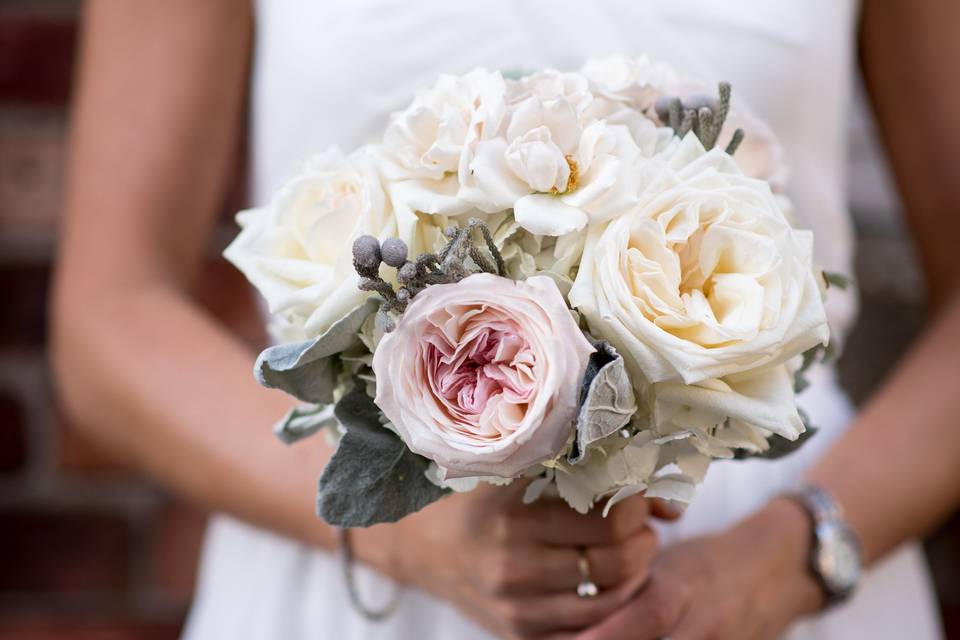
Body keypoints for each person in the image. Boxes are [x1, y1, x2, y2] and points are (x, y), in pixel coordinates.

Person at [51, 1, 958, 639]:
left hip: (761, 570)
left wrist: (784, 561)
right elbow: (111, 318)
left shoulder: (772, 569)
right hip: (352, 576)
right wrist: (408, 533)